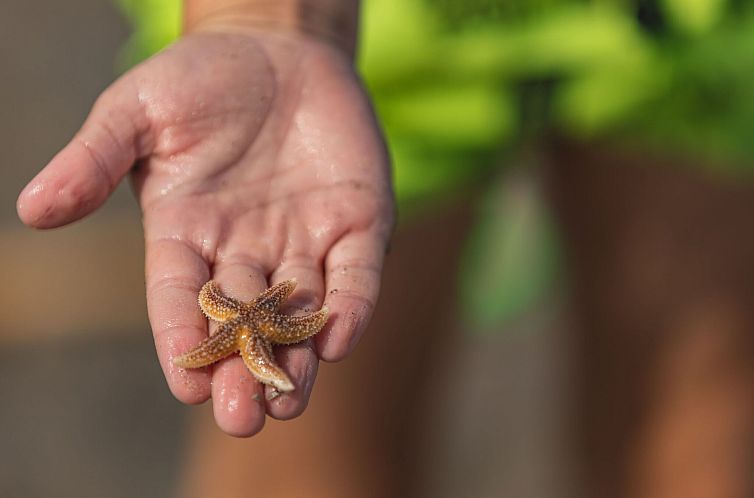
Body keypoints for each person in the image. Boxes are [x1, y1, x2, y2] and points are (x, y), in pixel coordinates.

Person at [16, 0, 394, 437]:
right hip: (345, 120)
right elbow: (228, 305)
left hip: (393, 123)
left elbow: (252, 306)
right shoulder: (246, 316)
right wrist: (256, 18)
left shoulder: (248, 314)